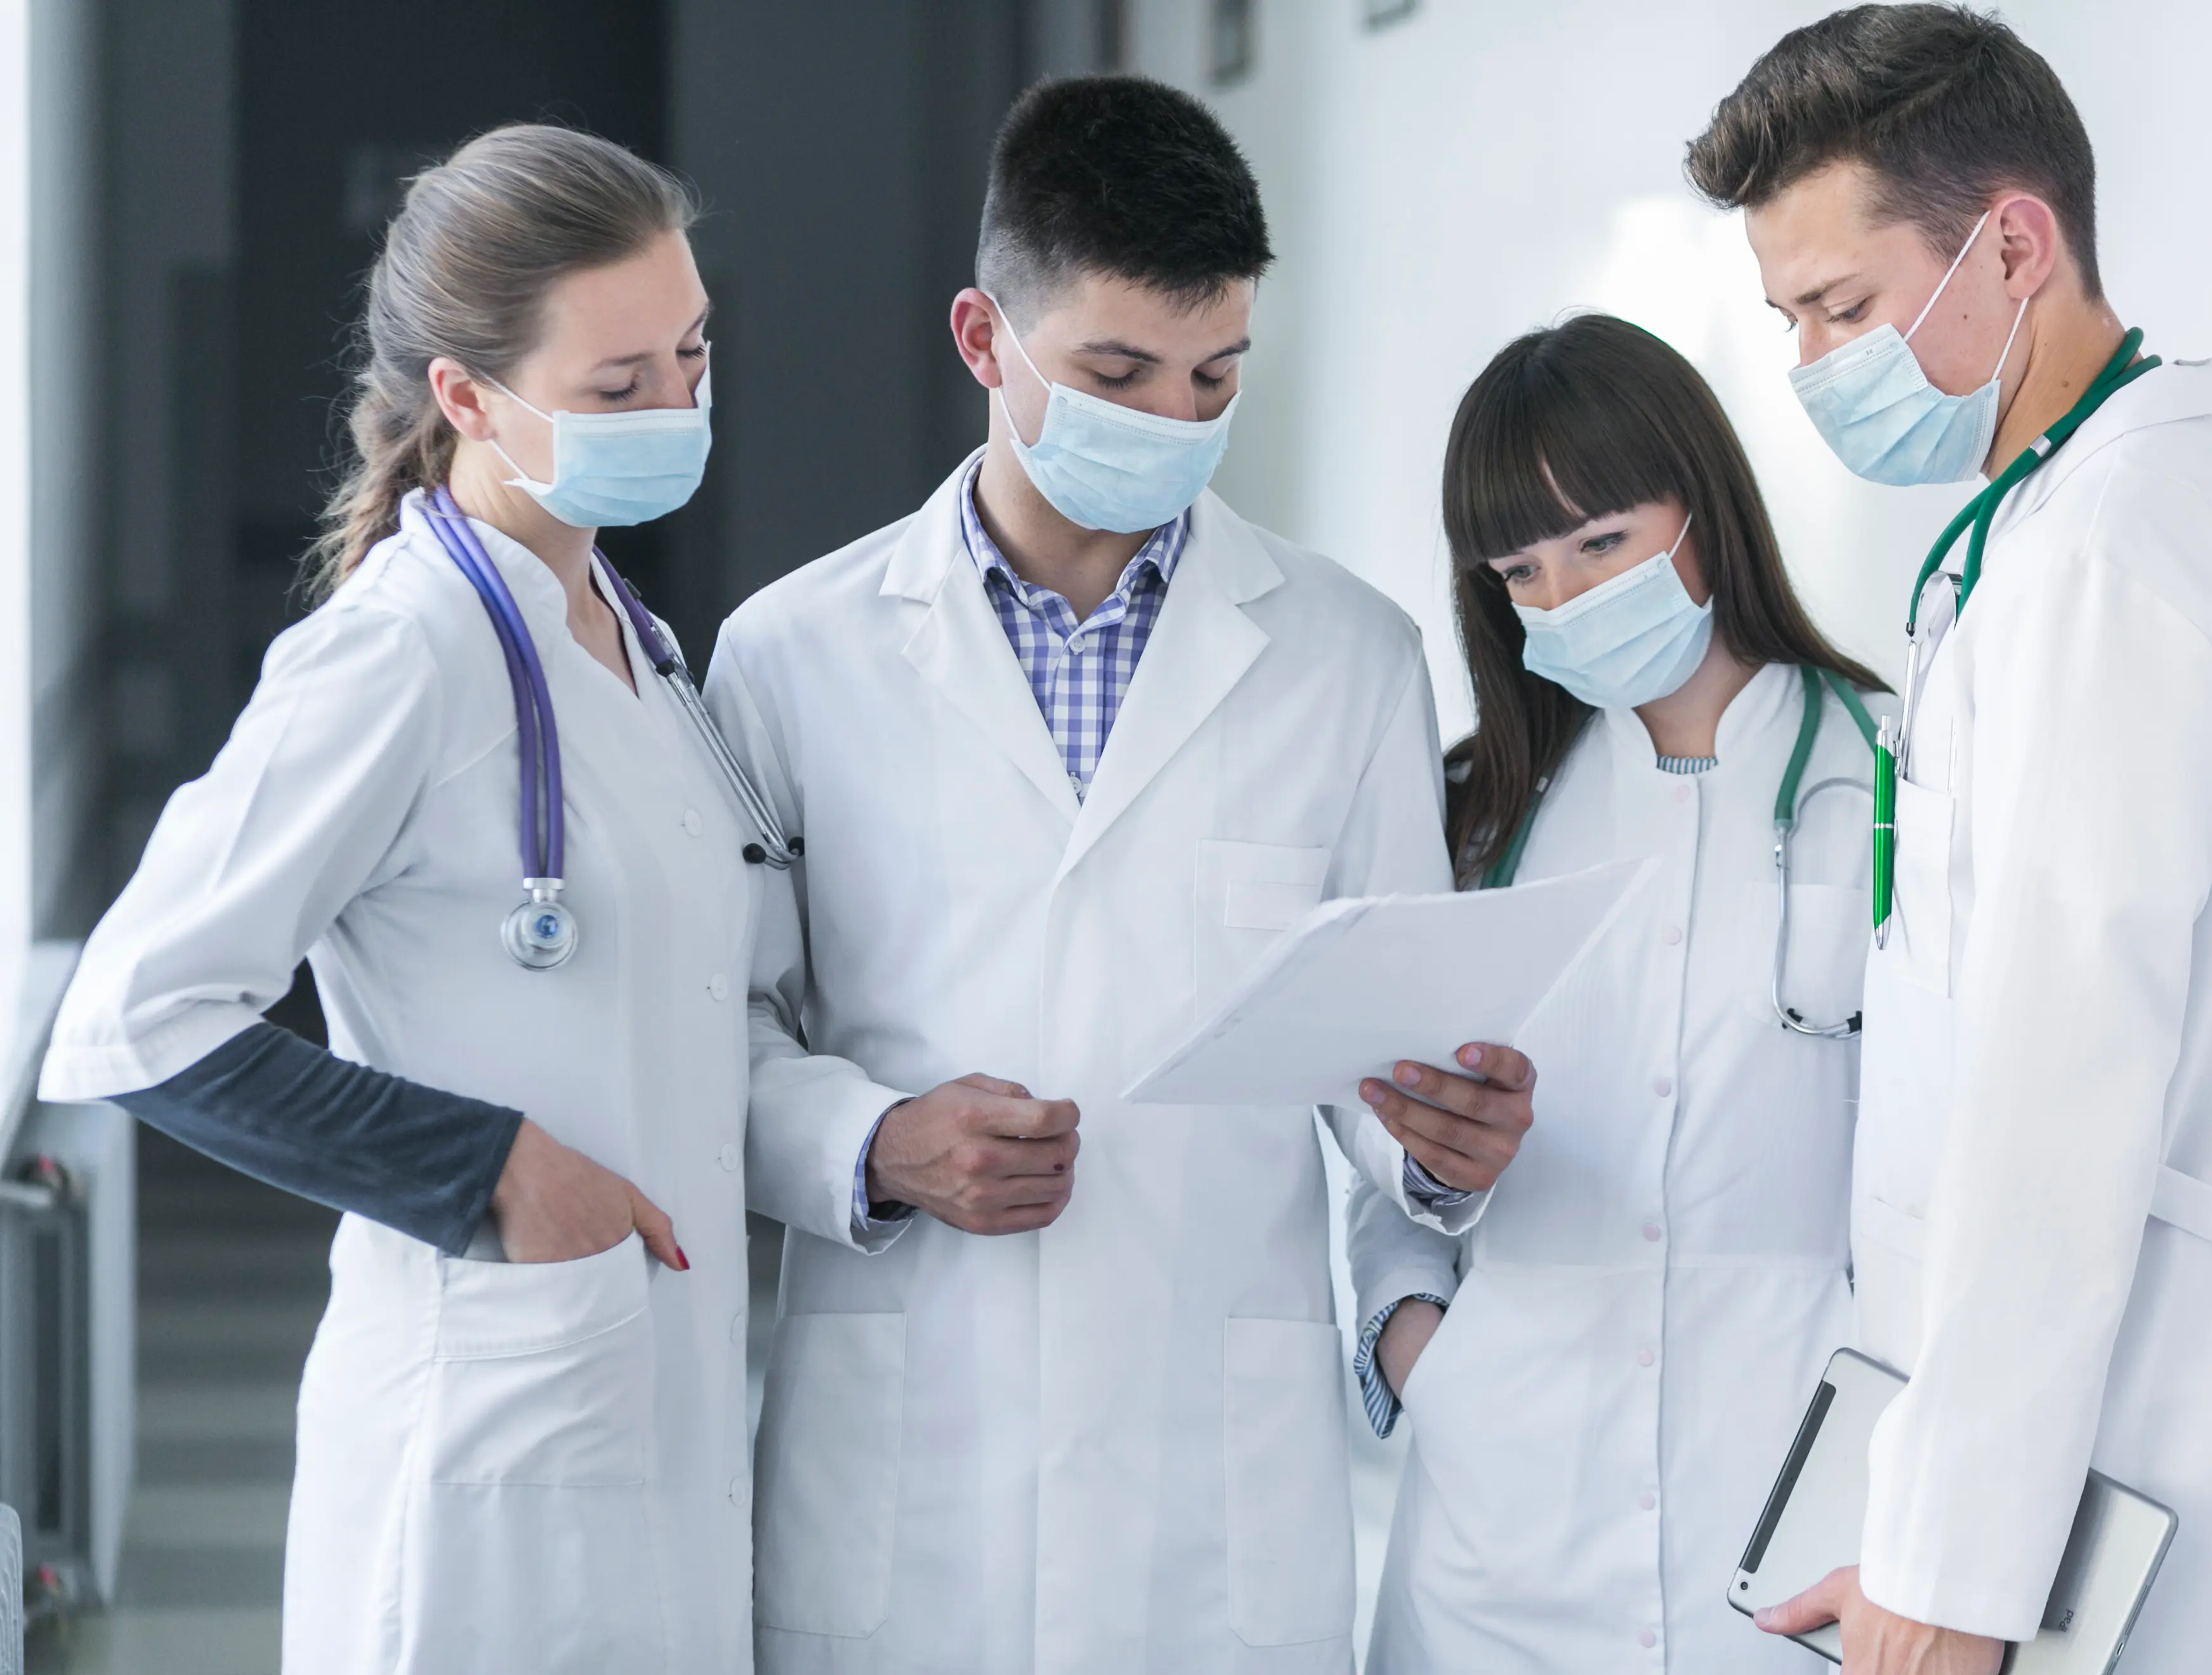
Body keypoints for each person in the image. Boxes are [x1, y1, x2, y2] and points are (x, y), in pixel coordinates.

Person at [706, 76, 1536, 1672]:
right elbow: (714, 1037)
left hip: (1210, 1506)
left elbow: (1381, 1065)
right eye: (1115, 372)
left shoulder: (1346, 659)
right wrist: (874, 1144)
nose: (1175, 422)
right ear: (980, 340)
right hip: (909, 1461)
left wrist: (1442, 1144)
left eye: (1215, 374)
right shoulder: (795, 657)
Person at [1684, 9, 2212, 1674]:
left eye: (1844, 309)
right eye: (1790, 321)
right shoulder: (2183, 500)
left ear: (2014, 240)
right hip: (2144, 1443)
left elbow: (2058, 1085)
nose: (1813, 370)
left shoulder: (2104, 559)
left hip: (2109, 1479)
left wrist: (1950, 1572)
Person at [40, 126, 772, 1672]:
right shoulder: (402, 652)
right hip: (492, 1417)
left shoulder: (624, 634)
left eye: (693, 356)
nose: (681, 409)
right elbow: (134, 1018)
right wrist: (492, 1171)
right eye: (620, 385)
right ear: (464, 396)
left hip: (650, 1393)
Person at [1345, 313, 1887, 1671]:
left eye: (1604, 544)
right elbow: (1368, 1139)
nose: (1568, 600)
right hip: (1501, 1540)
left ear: (1702, 510)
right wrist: (1421, 1349)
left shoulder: (1890, 777)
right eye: (1523, 571)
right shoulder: (1473, 815)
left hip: (1794, 1514)